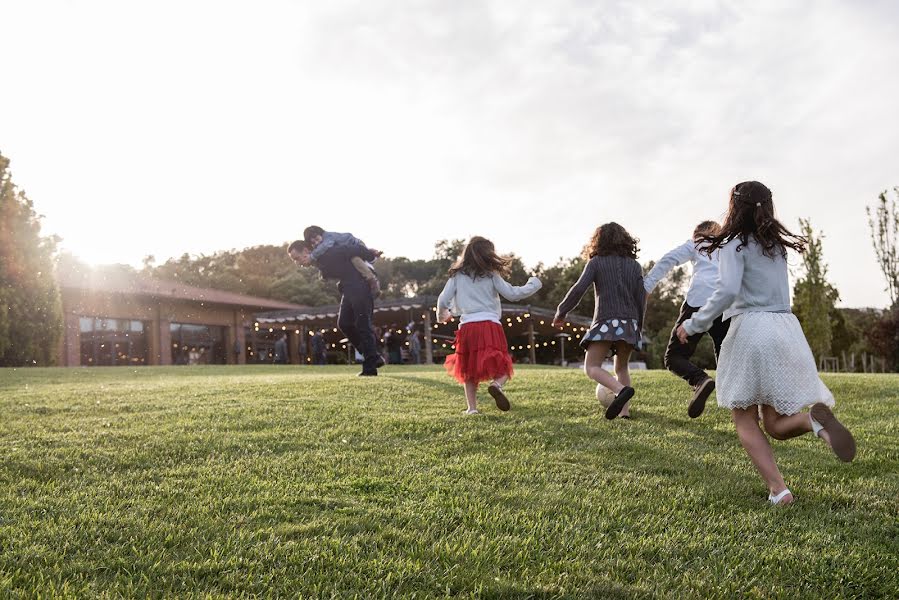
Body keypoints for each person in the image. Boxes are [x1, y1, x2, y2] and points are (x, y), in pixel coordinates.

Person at [676, 181, 856, 506]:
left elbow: (728, 290)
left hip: (750, 330)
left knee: (744, 418)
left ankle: (779, 490)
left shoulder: (734, 244)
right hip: (784, 329)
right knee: (774, 424)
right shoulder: (776, 247)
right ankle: (814, 420)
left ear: (734, 207)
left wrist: (695, 323)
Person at [437, 236, 542, 414]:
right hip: (490, 326)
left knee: (467, 368)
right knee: (501, 362)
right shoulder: (491, 274)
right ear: (488, 255)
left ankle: (472, 409)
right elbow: (513, 294)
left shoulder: (457, 275)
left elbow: (442, 300)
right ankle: (497, 385)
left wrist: (442, 316)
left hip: (468, 327)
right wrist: (534, 283)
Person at [553, 222, 645, 420]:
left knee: (591, 367)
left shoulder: (596, 262)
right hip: (630, 324)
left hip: (606, 321)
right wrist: (639, 328)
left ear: (598, 241)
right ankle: (624, 412)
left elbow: (579, 289)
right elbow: (641, 299)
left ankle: (620, 391)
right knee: (621, 368)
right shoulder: (635, 266)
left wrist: (562, 311)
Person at [643, 220, 729, 418]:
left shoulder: (695, 244)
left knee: (674, 357)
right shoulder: (727, 247)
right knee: (727, 357)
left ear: (698, 234)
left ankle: (699, 380)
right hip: (724, 304)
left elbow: (669, 259)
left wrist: (647, 286)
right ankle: (745, 405)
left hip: (697, 302)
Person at [288, 240, 382, 376]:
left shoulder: (327, 252)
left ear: (306, 251)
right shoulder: (319, 261)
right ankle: (373, 356)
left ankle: (370, 368)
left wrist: (370, 252)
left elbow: (351, 250)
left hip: (361, 283)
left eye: (297, 258)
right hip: (348, 287)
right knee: (344, 323)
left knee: (363, 324)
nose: (298, 263)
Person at [304, 226, 382, 298]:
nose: (316, 243)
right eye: (313, 243)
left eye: (316, 239)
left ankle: (371, 279)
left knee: (354, 258)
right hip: (347, 250)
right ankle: (372, 252)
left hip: (355, 244)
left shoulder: (327, 237)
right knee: (346, 258)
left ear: (320, 233)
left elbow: (325, 246)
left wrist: (311, 256)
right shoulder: (322, 244)